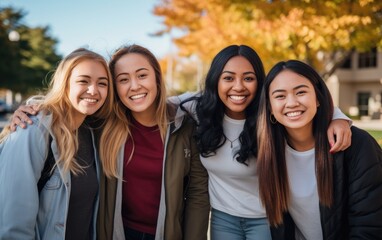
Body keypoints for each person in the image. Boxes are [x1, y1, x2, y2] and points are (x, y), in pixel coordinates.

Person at [8, 44, 210, 240]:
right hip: (114, 232)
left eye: (142, 75)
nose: (134, 85)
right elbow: (68, 107)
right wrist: (35, 110)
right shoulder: (103, 126)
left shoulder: (184, 126)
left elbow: (197, 193)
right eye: (123, 79)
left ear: (157, 78)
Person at [178, 45, 352, 240]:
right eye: (228, 78)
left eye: (248, 78)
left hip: (266, 218)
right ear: (215, 81)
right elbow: (160, 104)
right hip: (222, 217)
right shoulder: (201, 109)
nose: (238, 86)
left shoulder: (269, 116)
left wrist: (339, 118)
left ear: (259, 82)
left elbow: (305, 105)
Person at [256, 60, 382, 239]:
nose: (291, 103)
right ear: (269, 106)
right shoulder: (268, 150)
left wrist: (339, 117)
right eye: (280, 96)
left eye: (301, 92)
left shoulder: (357, 145)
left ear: (318, 98)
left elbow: (369, 226)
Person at [0, 48, 115, 239]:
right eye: (83, 81)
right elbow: (12, 224)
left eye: (102, 83)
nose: (93, 90)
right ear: (65, 83)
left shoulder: (94, 132)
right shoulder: (33, 129)